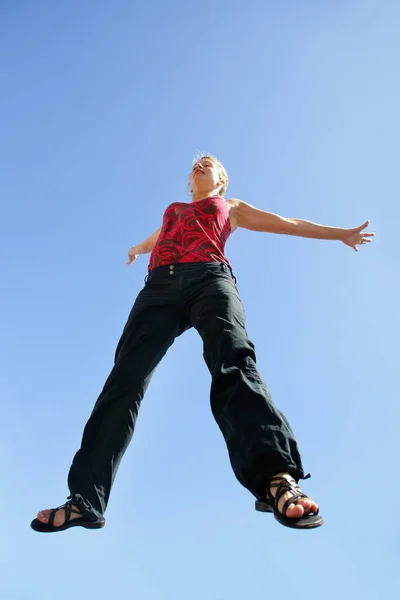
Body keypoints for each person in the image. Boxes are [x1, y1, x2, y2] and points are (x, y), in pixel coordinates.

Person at [31, 154, 374, 533]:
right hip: (158, 291)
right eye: (195, 164)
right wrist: (136, 249)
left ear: (221, 180)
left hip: (210, 280)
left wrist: (340, 232)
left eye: (208, 163)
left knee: (233, 362)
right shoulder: (173, 211)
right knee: (123, 382)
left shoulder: (231, 207)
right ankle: (85, 500)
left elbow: (287, 223)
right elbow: (154, 240)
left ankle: (276, 478)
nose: (199, 165)